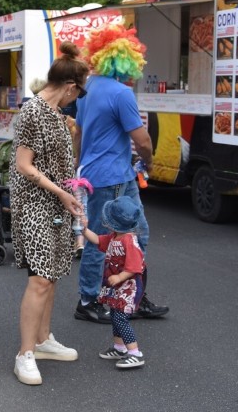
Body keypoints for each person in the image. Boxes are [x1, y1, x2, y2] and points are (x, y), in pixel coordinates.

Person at [73, 24, 168, 323]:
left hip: (99, 175)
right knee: (109, 239)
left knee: (131, 235)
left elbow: (78, 133)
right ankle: (88, 301)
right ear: (125, 59)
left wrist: (80, 165)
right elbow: (142, 140)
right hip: (113, 178)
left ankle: (131, 296)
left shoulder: (85, 91)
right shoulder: (121, 94)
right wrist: (150, 163)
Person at [10, 42, 88, 386]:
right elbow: (23, 165)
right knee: (40, 278)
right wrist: (61, 192)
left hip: (55, 203)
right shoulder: (34, 111)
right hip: (36, 203)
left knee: (52, 274)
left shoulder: (55, 114)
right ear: (71, 86)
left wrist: (69, 194)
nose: (77, 99)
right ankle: (25, 353)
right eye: (79, 92)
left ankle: (42, 340)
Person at [79, 195, 147, 369]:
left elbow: (134, 267)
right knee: (116, 315)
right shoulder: (115, 236)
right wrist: (85, 230)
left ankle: (134, 353)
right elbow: (98, 241)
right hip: (117, 287)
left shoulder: (129, 241)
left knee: (121, 317)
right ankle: (119, 348)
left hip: (128, 287)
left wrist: (118, 277)